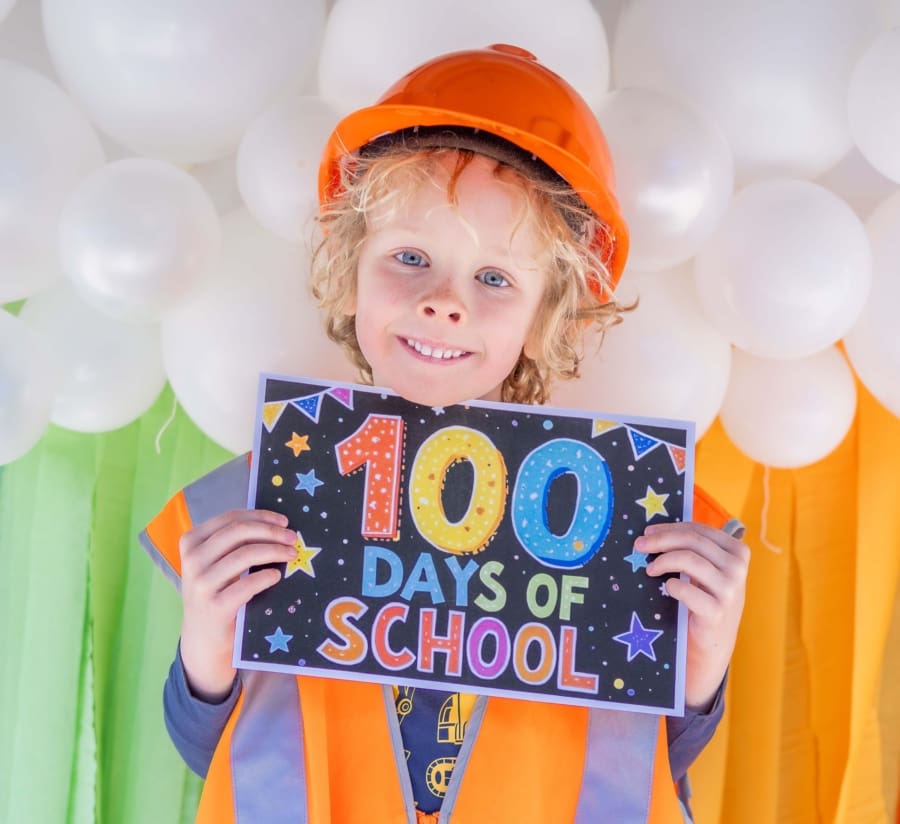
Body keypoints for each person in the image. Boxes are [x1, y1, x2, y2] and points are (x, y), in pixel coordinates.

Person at [141, 44, 749, 824]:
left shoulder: (625, 523)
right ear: (352, 266)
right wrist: (210, 648)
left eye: (494, 278)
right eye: (411, 257)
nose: (444, 303)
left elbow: (636, 767)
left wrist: (697, 667)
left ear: (545, 317)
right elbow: (218, 757)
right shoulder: (271, 500)